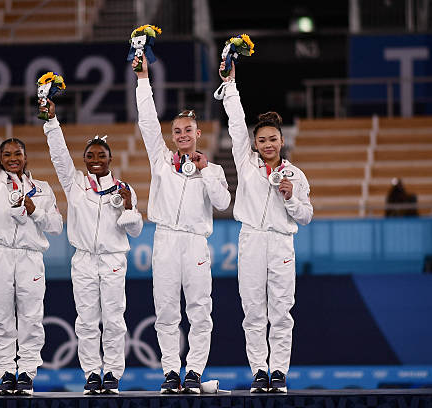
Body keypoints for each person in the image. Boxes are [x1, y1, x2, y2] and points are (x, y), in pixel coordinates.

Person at [133, 55, 231, 393]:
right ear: (172, 136)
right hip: (165, 239)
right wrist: (143, 79)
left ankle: (195, 373)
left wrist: (204, 171)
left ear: (198, 133)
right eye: (177, 131)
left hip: (195, 243)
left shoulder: (213, 169)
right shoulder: (161, 160)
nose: (182, 134)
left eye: (188, 130)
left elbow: (223, 203)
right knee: (165, 309)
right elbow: (147, 121)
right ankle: (171, 371)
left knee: (200, 309)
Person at [216, 60, 313, 393]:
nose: (268, 144)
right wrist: (230, 84)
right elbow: (236, 122)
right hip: (251, 240)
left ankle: (280, 373)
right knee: (253, 310)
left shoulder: (296, 175)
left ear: (282, 141)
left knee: (282, 312)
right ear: (254, 144)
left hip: (282, 243)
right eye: (262, 140)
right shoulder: (245, 162)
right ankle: (259, 371)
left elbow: (306, 216)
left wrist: (290, 199)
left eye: (273, 139)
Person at [0, 84, 63, 396]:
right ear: (0, 159)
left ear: (25, 155)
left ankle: (27, 373)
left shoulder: (43, 188)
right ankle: (6, 372)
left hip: (31, 256)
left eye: (17, 153)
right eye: (6, 154)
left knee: (32, 318)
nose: (11, 158)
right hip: (1, 254)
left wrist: (36, 213)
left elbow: (57, 226)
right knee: (1, 317)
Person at [41, 100, 143, 395]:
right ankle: (90, 374)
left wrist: (127, 206)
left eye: (101, 155)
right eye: (90, 155)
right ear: (84, 159)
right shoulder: (75, 184)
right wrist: (51, 122)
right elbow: (59, 155)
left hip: (112, 260)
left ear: (110, 159)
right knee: (86, 320)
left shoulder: (124, 188)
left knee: (113, 319)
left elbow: (135, 230)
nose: (96, 159)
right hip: (84, 259)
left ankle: (111, 373)